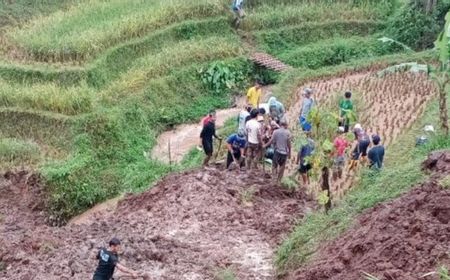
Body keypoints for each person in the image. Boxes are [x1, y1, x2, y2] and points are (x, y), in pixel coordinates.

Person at [264, 120, 291, 184]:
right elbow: (289, 144)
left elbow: (271, 141)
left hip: (277, 152)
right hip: (284, 153)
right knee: (282, 167)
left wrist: (265, 145)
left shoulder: (276, 132)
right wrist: (289, 153)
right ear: (285, 125)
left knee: (274, 166)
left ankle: (273, 180)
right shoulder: (288, 133)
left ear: (280, 124)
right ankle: (278, 181)